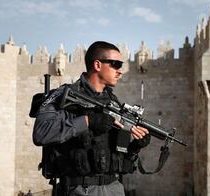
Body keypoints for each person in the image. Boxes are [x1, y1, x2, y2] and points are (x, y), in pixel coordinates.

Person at [33, 41, 150, 196]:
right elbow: (41, 134)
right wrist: (88, 121)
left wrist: (135, 146)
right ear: (97, 65)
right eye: (115, 64)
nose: (120, 71)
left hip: (114, 188)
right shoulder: (64, 95)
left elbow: (117, 153)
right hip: (79, 189)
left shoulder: (113, 103)